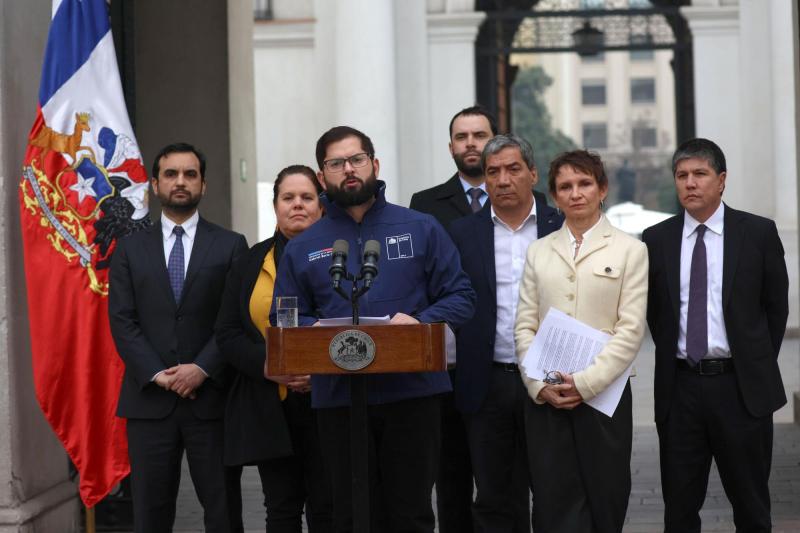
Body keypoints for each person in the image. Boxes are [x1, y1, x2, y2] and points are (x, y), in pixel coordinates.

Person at [273, 125, 476, 532]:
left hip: (413, 395)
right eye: (336, 163)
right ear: (322, 175)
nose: (348, 169)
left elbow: (461, 296)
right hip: (338, 400)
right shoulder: (302, 247)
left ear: (375, 164)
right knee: (350, 514)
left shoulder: (420, 227)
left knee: (411, 513)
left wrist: (418, 321)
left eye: (357, 160)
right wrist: (321, 333)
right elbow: (284, 317)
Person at [642, 138, 788, 533]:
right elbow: (657, 313)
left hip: (741, 390)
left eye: (700, 174)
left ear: (721, 180)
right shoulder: (656, 240)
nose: (690, 183)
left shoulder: (757, 233)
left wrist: (751, 361)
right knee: (680, 509)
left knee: (752, 506)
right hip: (681, 390)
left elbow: (776, 309)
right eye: (682, 175)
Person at [109, 142, 247, 533]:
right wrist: (159, 374)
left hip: (212, 401)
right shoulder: (129, 249)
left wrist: (202, 368)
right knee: (150, 515)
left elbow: (234, 318)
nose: (180, 182)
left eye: (190, 174)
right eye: (171, 174)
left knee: (223, 512)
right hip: (150, 400)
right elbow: (123, 320)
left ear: (203, 185)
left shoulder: (231, 245)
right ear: (155, 185)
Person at [514, 150, 648, 533]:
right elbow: (525, 325)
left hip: (604, 397)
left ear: (602, 189)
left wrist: (587, 383)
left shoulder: (630, 250)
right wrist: (539, 386)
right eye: (565, 187)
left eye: (585, 183)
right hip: (549, 397)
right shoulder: (539, 251)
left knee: (606, 497)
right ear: (554, 196)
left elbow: (630, 329)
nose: (575, 193)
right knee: (553, 500)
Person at [449, 134, 562, 531]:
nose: (502, 180)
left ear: (532, 174)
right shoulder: (461, 235)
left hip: (551, 380)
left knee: (554, 493)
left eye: (513, 169)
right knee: (495, 498)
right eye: (493, 172)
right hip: (488, 382)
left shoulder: (560, 226)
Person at [215, 165, 331, 532]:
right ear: (276, 205)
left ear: (322, 205)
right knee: (280, 509)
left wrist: (322, 369)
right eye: (288, 198)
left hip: (330, 401)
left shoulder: (343, 254)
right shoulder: (250, 261)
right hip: (271, 403)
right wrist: (268, 366)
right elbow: (228, 332)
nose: (297, 205)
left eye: (307, 197)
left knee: (328, 508)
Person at [408, 104, 495, 533]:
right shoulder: (424, 206)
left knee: (502, 481)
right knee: (451, 476)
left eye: (479, 135)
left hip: (502, 360)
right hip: (447, 360)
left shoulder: (523, 201)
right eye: (462, 137)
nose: (471, 143)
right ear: (451, 147)